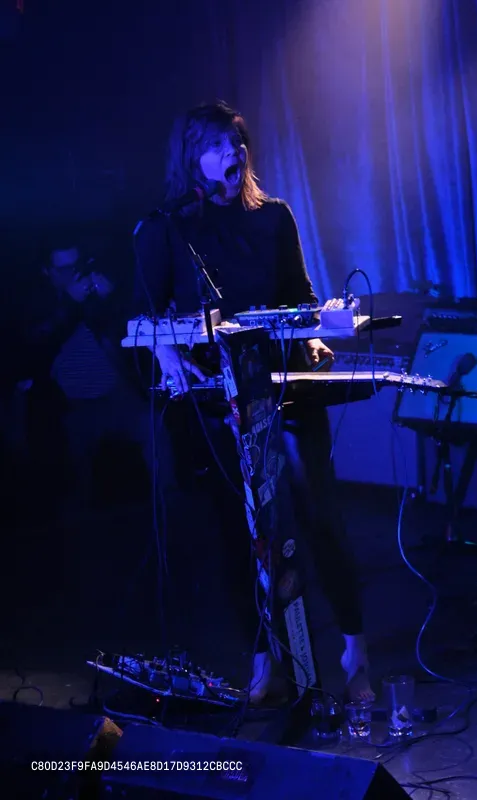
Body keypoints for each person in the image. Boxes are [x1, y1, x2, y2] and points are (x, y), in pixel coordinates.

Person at [133, 101, 374, 705]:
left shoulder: (274, 218)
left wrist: (317, 334)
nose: (233, 155)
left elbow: (302, 296)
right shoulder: (168, 227)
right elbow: (148, 314)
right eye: (218, 146)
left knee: (319, 516)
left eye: (238, 143)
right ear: (193, 158)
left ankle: (355, 649)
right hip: (220, 401)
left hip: (286, 389)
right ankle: (262, 656)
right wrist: (172, 363)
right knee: (240, 536)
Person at [18, 240, 171, 511]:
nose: (74, 274)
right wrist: (69, 302)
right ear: (47, 271)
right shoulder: (37, 302)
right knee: (73, 482)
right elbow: (35, 343)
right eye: (64, 269)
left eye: (77, 266)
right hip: (68, 405)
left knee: (154, 428)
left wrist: (109, 298)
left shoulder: (94, 297)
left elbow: (127, 332)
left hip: (115, 396)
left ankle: (171, 508)